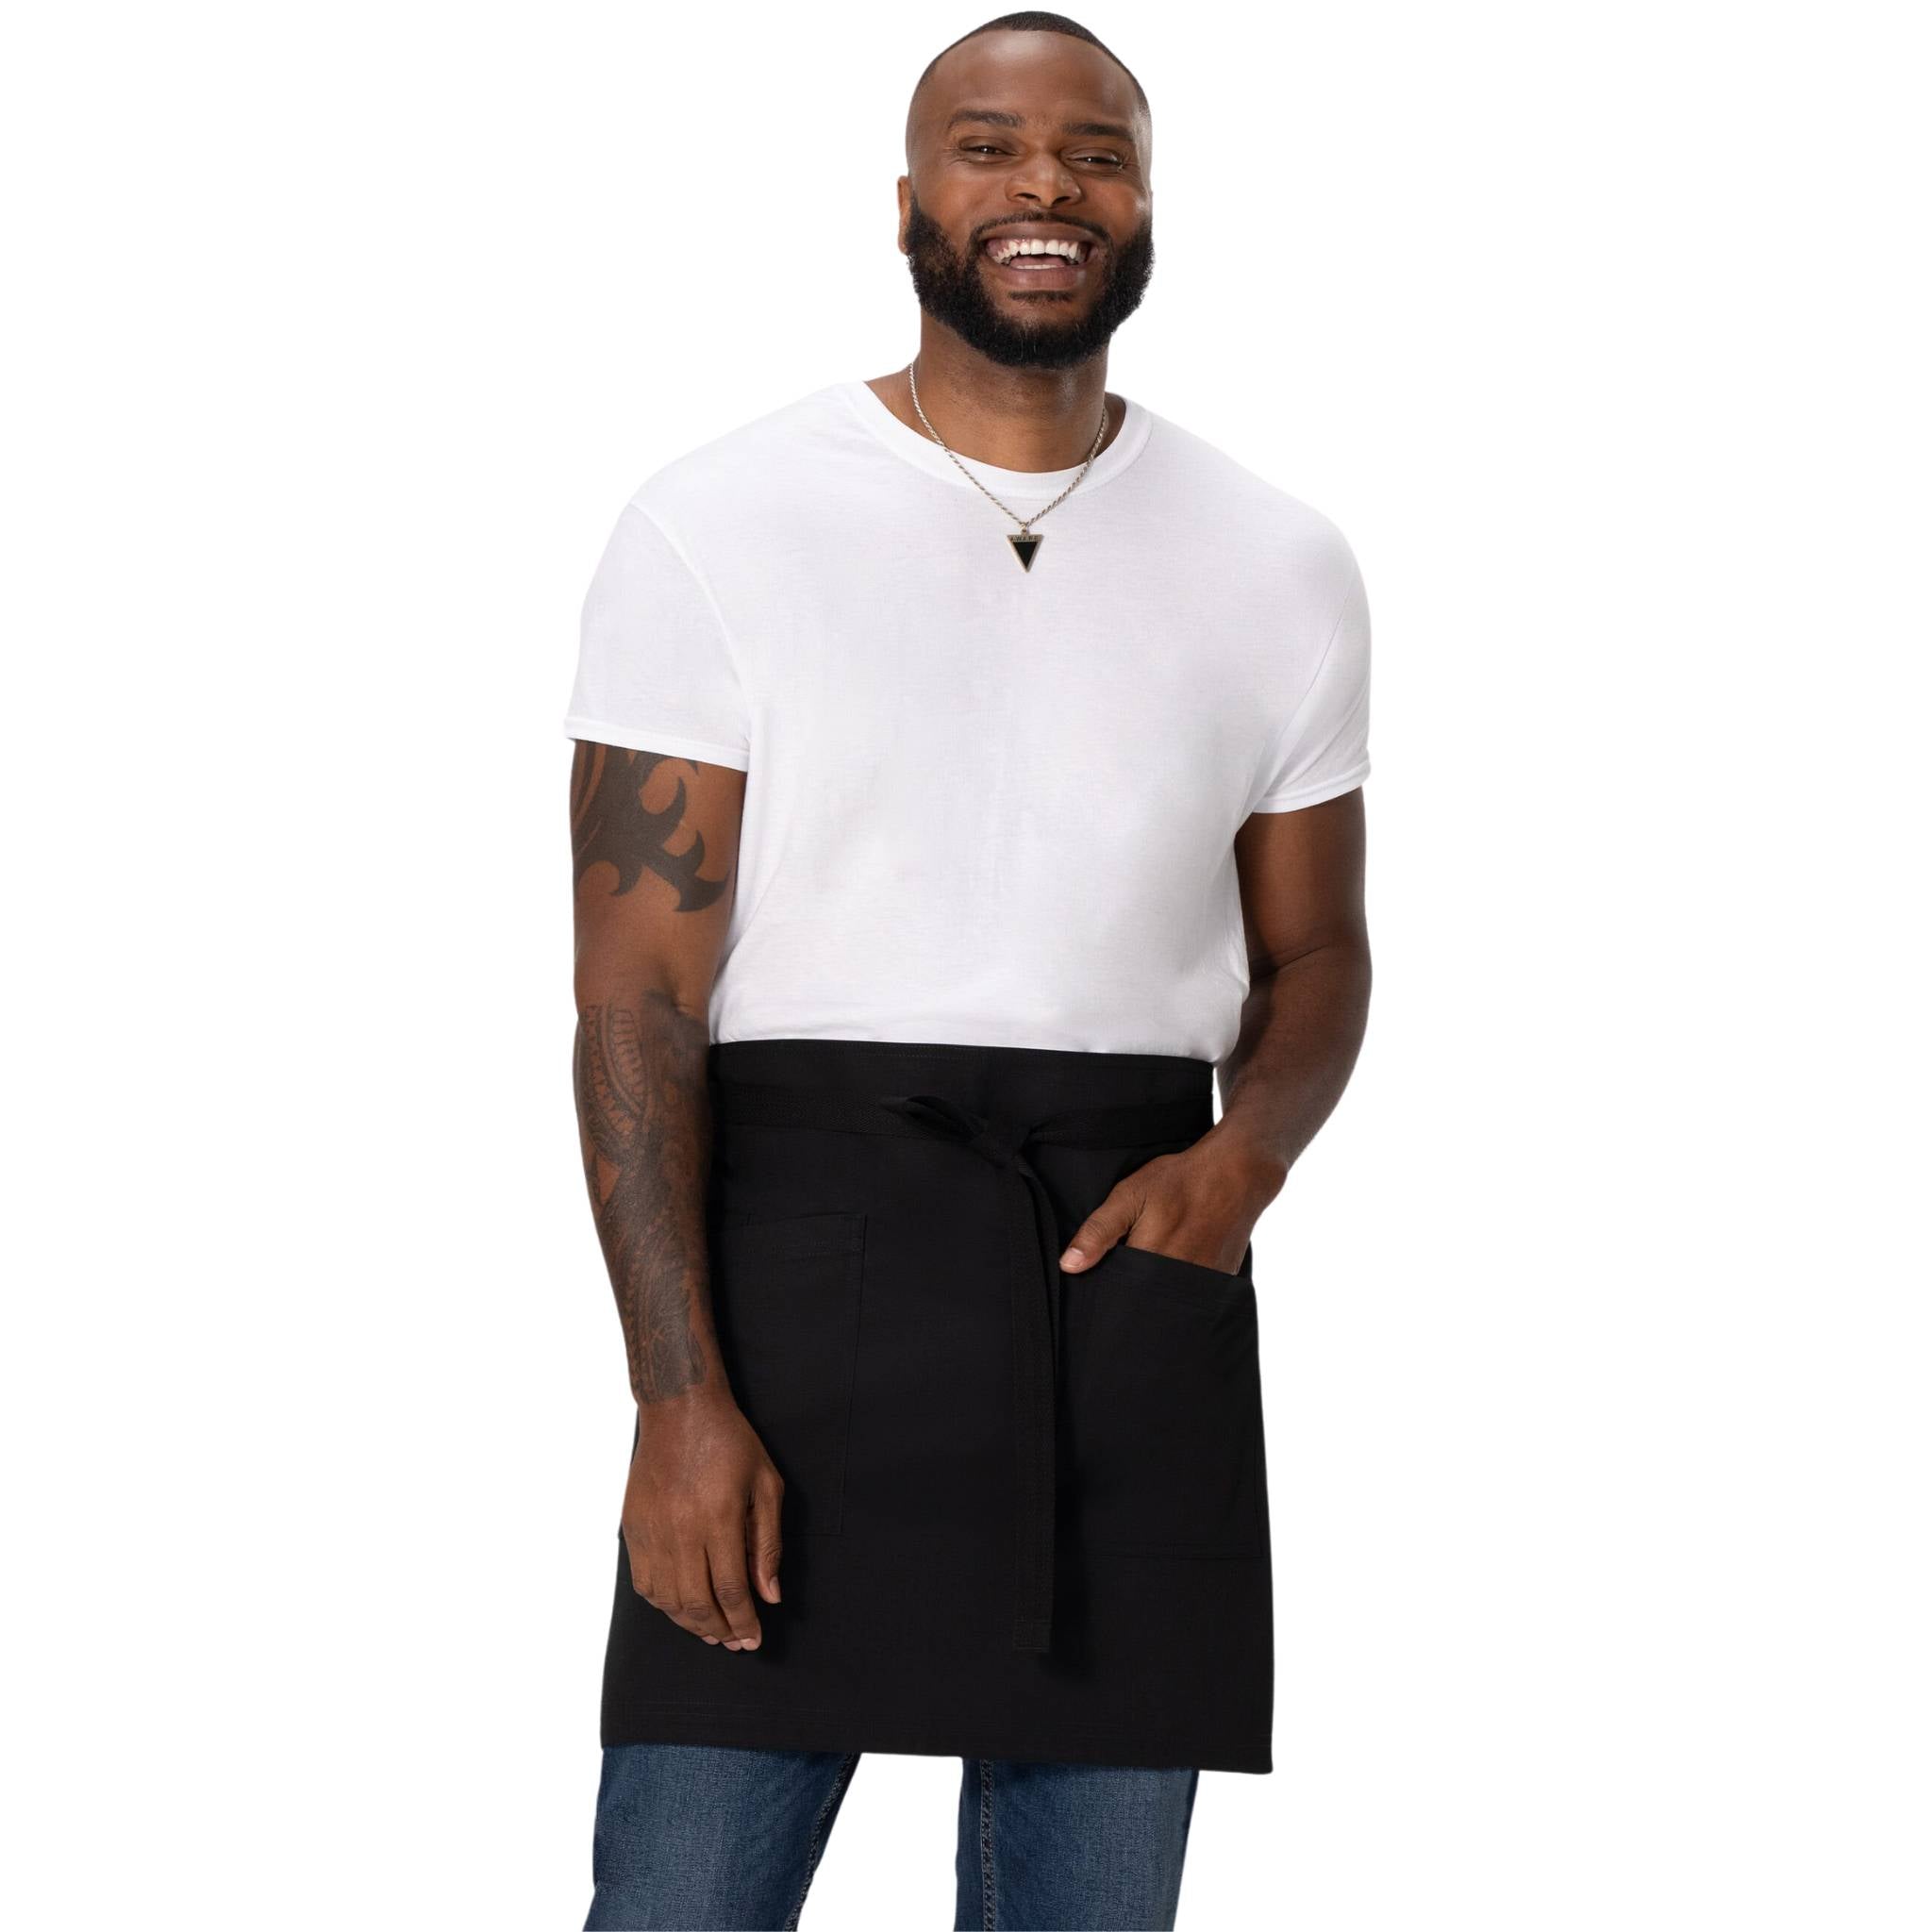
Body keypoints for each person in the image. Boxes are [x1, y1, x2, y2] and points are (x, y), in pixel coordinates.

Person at [563, 13, 1373, 1927]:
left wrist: (1242, 1163)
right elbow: (633, 1005)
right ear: (912, 199)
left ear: (1145, 202)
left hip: (1126, 1271)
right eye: (990, 145)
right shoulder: (716, 522)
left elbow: (1319, 945)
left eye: (1096, 152)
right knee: (679, 1897)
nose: (1044, 187)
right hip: (790, 1286)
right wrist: (674, 1402)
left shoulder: (1280, 558)